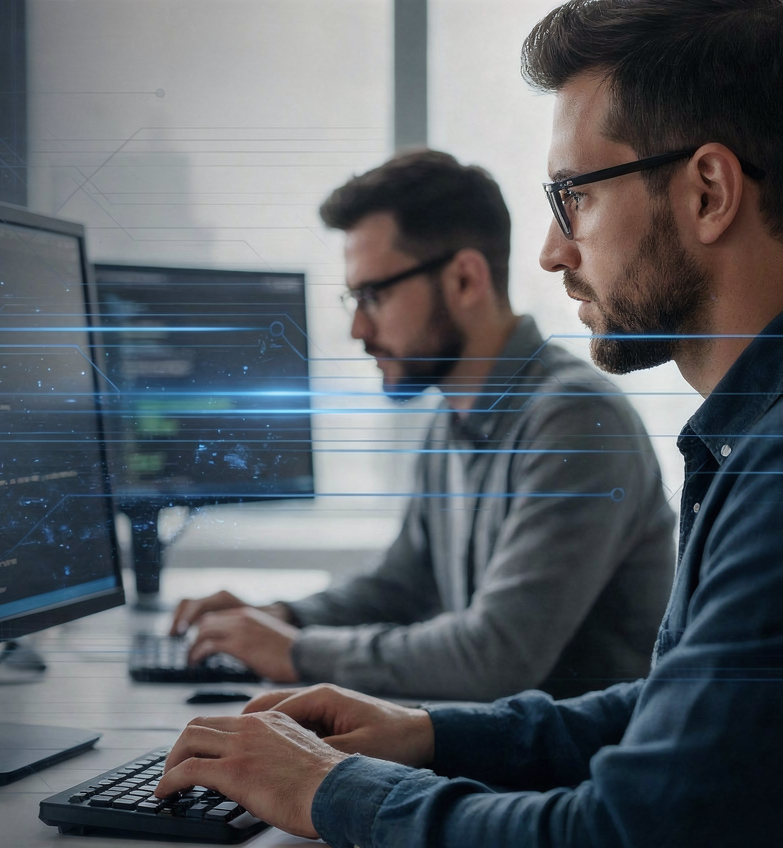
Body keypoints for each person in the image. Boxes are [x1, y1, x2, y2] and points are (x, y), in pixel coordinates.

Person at [153, 1, 783, 848]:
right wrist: (428, 733)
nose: (555, 250)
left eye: (577, 198)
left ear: (709, 192)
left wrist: (329, 788)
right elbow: (674, 707)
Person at [170, 151, 674, 701]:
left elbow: (494, 656)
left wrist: (292, 651)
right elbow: (403, 582)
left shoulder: (577, 422)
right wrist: (278, 617)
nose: (358, 328)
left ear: (464, 279)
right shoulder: (453, 416)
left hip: (567, 778)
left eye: (373, 296)